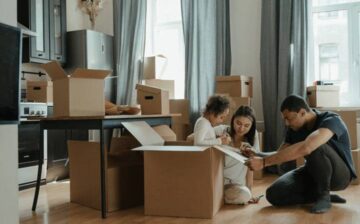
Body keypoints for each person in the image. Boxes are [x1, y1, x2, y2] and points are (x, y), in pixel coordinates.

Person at [244, 95, 357, 213]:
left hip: (340, 176)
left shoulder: (331, 120)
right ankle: (318, 195)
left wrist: (264, 162)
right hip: (313, 171)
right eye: (284, 119)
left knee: (315, 145)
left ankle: (324, 195)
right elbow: (280, 154)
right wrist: (258, 154)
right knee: (273, 194)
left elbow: (308, 147)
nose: (287, 123)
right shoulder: (293, 129)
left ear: (302, 112)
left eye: (289, 118)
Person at [224, 106, 262, 204]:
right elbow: (191, 137)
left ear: (251, 126)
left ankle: (218, 198)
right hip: (217, 181)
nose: (241, 128)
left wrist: (250, 191)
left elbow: (251, 166)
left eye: (246, 125)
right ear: (233, 120)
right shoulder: (222, 131)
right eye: (238, 123)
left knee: (245, 195)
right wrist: (217, 139)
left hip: (235, 185)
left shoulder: (253, 136)